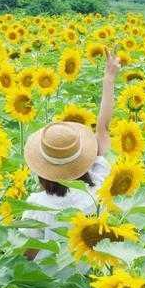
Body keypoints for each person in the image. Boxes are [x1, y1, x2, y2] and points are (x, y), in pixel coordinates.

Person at [21, 49, 121, 260]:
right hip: (92, 280)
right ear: (83, 159)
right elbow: (103, 129)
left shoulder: (35, 205)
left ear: (42, 169)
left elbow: (26, 257)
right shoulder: (98, 187)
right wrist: (109, 78)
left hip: (48, 286)